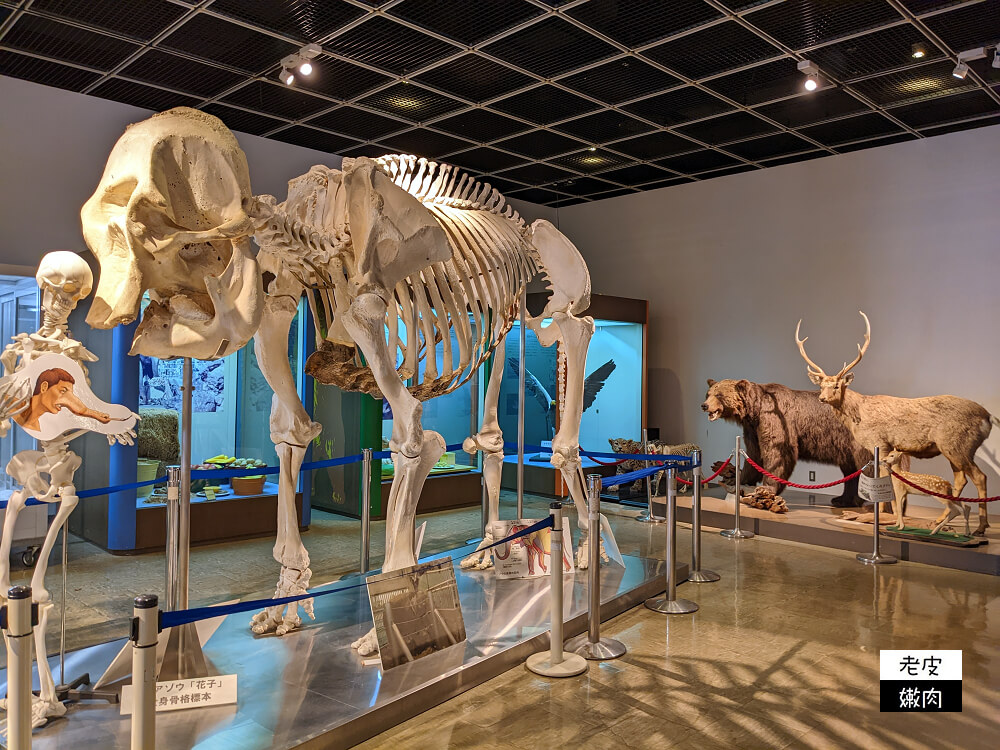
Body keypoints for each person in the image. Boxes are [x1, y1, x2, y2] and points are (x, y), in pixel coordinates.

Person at [13, 367, 122, 432]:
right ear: (44, 387)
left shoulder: (36, 427)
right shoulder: (9, 404)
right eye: (63, 391)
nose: (68, 401)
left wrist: (92, 413)